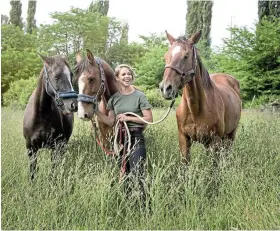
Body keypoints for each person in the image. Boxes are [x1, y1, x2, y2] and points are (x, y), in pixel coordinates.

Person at [95, 64, 153, 200]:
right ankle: (128, 203)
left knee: (138, 172)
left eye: (129, 74)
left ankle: (145, 206)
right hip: (120, 139)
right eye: (123, 74)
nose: (127, 76)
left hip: (136, 137)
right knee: (124, 173)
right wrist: (96, 111)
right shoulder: (114, 98)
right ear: (117, 78)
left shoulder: (140, 96)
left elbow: (148, 119)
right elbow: (110, 121)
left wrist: (128, 117)